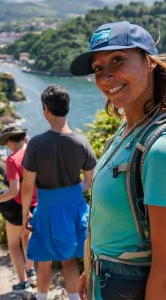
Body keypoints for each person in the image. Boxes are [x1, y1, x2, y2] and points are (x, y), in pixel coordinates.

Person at [69, 21, 166, 300]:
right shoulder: (128, 132)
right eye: (97, 68)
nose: (106, 76)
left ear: (149, 62)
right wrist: (89, 270)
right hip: (105, 282)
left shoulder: (164, 150)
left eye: (118, 60)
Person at [21, 85, 97, 300]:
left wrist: (25, 212)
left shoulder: (35, 144)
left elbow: (27, 186)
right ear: (67, 107)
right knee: (69, 258)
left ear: (46, 109)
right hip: (74, 209)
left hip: (46, 209)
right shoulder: (82, 142)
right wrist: (72, 191)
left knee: (44, 259)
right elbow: (90, 181)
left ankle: (42, 298)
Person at [0, 125, 39, 294]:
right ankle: (31, 272)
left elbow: (14, 191)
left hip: (18, 207)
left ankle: (23, 283)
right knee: (26, 237)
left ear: (7, 141)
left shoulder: (12, 160)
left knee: (13, 245)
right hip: (35, 204)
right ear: (23, 137)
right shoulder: (34, 153)